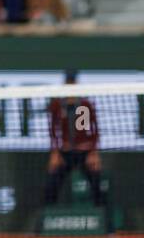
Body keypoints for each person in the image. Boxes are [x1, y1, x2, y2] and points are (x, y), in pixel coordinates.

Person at [45, 70, 104, 207]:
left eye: (73, 82)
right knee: (51, 185)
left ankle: (106, 223)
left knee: (97, 185)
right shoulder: (57, 105)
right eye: (68, 82)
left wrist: (93, 152)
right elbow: (53, 130)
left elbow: (94, 130)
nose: (71, 85)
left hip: (84, 152)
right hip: (65, 153)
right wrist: (55, 152)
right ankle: (47, 219)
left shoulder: (84, 105)